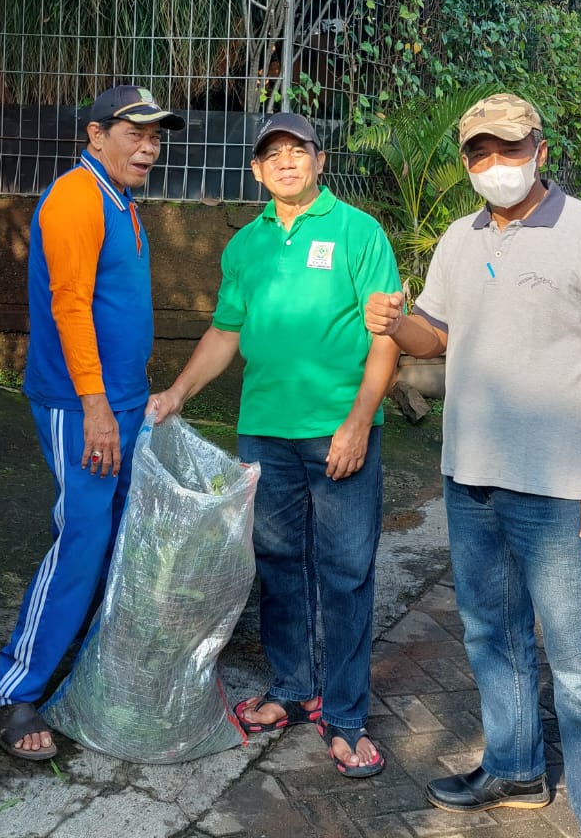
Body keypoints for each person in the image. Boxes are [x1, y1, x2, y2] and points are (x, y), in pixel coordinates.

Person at [364, 93, 581, 837]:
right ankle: (517, 768)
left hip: (560, 486)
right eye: (481, 153)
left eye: (510, 149)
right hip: (472, 475)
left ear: (541, 150)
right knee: (493, 633)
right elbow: (440, 339)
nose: (497, 166)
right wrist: (400, 325)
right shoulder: (460, 240)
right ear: (467, 162)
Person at [147, 112, 401, 778]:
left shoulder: (358, 232)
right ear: (256, 171)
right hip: (265, 430)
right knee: (280, 566)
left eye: (298, 151)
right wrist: (176, 394)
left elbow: (386, 336)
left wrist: (358, 422)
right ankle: (293, 689)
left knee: (346, 574)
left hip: (339, 432)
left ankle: (345, 715)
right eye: (272, 155)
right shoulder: (245, 246)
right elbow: (226, 332)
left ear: (319, 160)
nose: (286, 162)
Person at [0, 84, 185, 760]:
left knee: (115, 539)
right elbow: (69, 305)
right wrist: (96, 406)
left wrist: (132, 395)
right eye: (136, 133)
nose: (150, 147)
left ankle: (90, 670)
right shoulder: (76, 195)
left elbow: (112, 307)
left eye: (157, 136)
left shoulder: (121, 200)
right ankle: (13, 688)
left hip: (121, 400)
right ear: (95, 135)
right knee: (82, 540)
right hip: (82, 406)